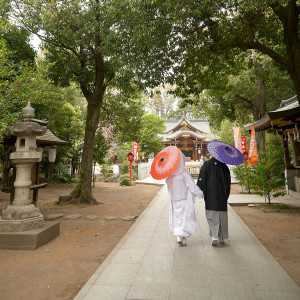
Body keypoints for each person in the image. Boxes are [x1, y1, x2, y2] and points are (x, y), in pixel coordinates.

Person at [166, 152, 203, 246]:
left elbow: (168, 186)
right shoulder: (184, 174)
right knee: (185, 218)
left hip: (175, 199)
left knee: (177, 217)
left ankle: (178, 235)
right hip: (184, 199)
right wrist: (200, 194)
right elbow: (192, 186)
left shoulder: (170, 175)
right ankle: (183, 237)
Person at [197, 156, 231, 246]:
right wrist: (226, 193)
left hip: (211, 194)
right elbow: (228, 181)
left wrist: (201, 191)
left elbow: (201, 179)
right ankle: (221, 237)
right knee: (222, 215)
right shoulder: (224, 166)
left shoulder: (206, 164)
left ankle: (214, 237)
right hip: (222, 194)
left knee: (212, 215)